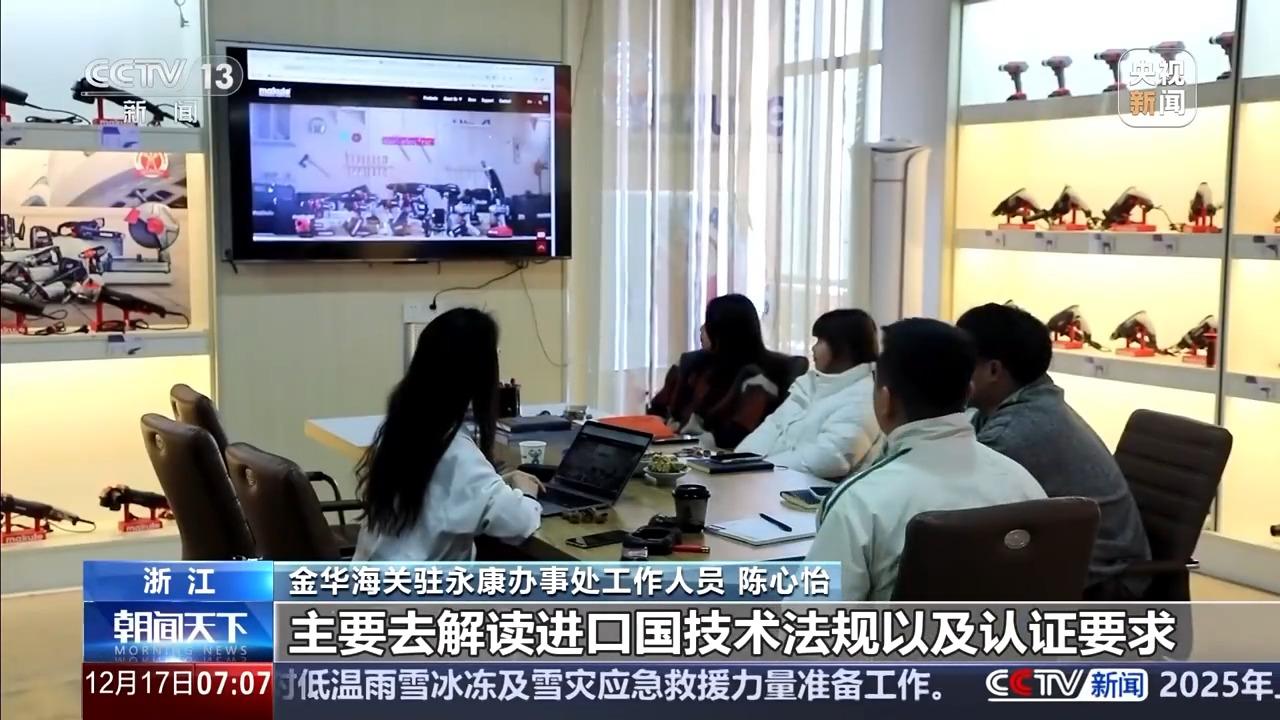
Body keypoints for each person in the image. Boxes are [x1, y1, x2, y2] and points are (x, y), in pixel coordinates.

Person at [805, 318, 1046, 600]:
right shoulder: (1026, 486)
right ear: (968, 392)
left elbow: (811, 617)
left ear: (885, 400)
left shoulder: (860, 502)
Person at [957, 302, 1152, 599]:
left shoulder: (1013, 432)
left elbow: (956, 503)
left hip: (1105, 580)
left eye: (960, 362)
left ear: (994, 370)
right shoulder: (1021, 401)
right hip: (1077, 555)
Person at [353, 308, 543, 561]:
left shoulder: (405, 427)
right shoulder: (457, 452)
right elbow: (518, 523)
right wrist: (526, 493)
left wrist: (496, 484)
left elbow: (443, 492)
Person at [737, 309, 882, 478]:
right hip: (771, 479)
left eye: (820, 341)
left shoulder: (865, 396)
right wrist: (739, 462)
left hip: (810, 489)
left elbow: (831, 457)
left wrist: (762, 468)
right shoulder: (810, 383)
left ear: (843, 347)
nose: (813, 348)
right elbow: (773, 426)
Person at [647, 294, 798, 449]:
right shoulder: (690, 364)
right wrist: (659, 429)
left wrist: (682, 442)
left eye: (709, 324)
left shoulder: (757, 380)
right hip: (667, 448)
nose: (702, 329)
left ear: (726, 333)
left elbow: (737, 435)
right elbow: (656, 410)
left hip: (712, 455)